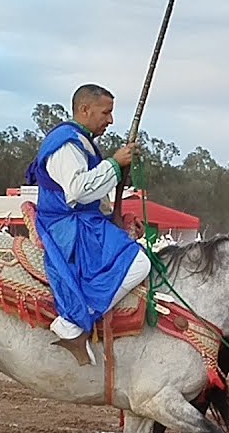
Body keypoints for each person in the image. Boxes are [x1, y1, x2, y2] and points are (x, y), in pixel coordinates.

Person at [28, 83, 150, 366]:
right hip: (67, 226)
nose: (110, 120)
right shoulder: (67, 143)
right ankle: (77, 317)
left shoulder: (82, 141)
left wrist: (116, 218)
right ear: (85, 109)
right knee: (139, 264)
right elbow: (78, 191)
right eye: (105, 112)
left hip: (84, 219)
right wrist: (114, 164)